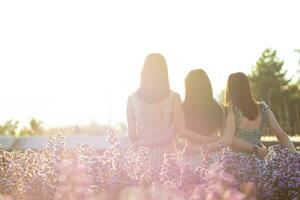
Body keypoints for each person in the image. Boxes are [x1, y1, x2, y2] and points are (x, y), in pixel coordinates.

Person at [127, 54, 217, 171]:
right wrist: (207, 140)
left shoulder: (131, 100)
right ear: (164, 73)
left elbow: (132, 135)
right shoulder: (173, 98)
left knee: (142, 187)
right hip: (167, 156)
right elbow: (174, 133)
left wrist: (142, 142)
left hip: (142, 156)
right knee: (169, 187)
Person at [181, 69, 268, 168]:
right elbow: (225, 140)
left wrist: (197, 148)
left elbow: (180, 132)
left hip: (189, 158)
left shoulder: (183, 109)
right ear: (208, 86)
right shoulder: (219, 108)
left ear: (188, 88)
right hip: (214, 159)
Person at [224, 72, 297, 154]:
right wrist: (296, 157)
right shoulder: (263, 110)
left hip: (234, 162)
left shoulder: (230, 111)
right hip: (258, 162)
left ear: (230, 89)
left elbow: (228, 139)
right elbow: (282, 135)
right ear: (247, 87)